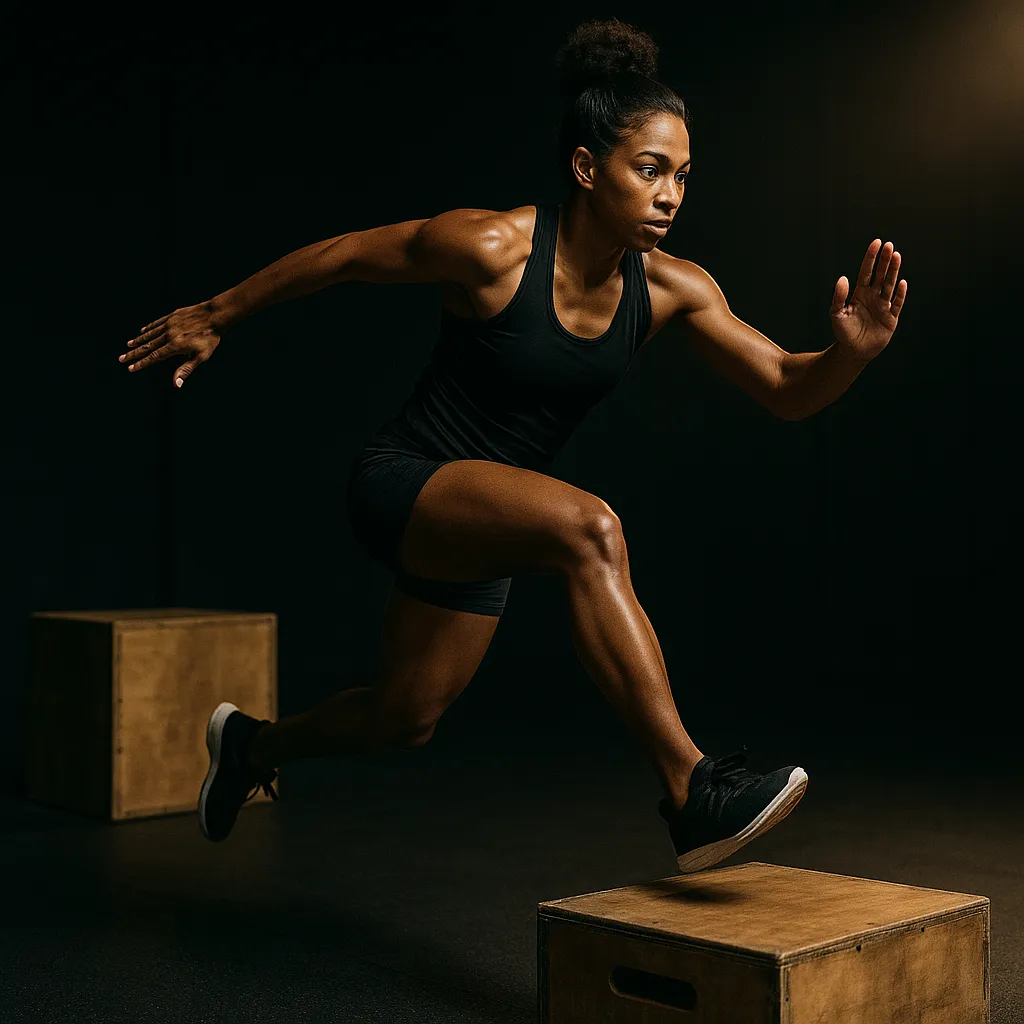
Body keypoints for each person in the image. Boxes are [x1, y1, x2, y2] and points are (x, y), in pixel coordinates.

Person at [119, 18, 906, 872]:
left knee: (406, 716)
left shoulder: (676, 288)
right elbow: (346, 256)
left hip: (490, 517)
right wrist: (215, 314)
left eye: (682, 175)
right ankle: (692, 790)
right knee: (591, 530)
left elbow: (790, 389)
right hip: (403, 481)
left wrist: (849, 354)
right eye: (650, 170)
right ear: (585, 167)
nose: (672, 193)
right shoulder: (492, 247)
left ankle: (251, 748)